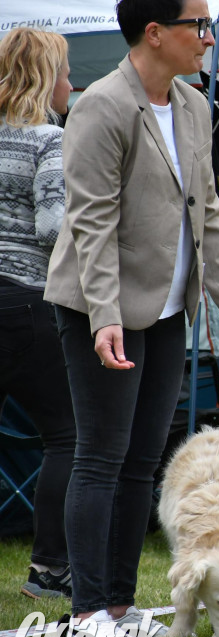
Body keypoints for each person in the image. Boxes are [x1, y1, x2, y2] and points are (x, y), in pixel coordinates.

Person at [44, 0, 219, 637]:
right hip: (99, 308)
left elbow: (210, 217)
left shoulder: (194, 104)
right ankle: (86, 611)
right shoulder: (102, 105)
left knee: (144, 461)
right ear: (155, 32)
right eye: (198, 24)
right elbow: (90, 221)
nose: (208, 36)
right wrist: (105, 318)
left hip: (170, 312)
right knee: (100, 458)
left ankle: (119, 604)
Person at [0, 28, 77, 601]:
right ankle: (50, 569)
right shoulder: (49, 139)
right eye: (67, 72)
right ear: (47, 77)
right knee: (67, 435)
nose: (71, 84)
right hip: (25, 301)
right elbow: (53, 227)